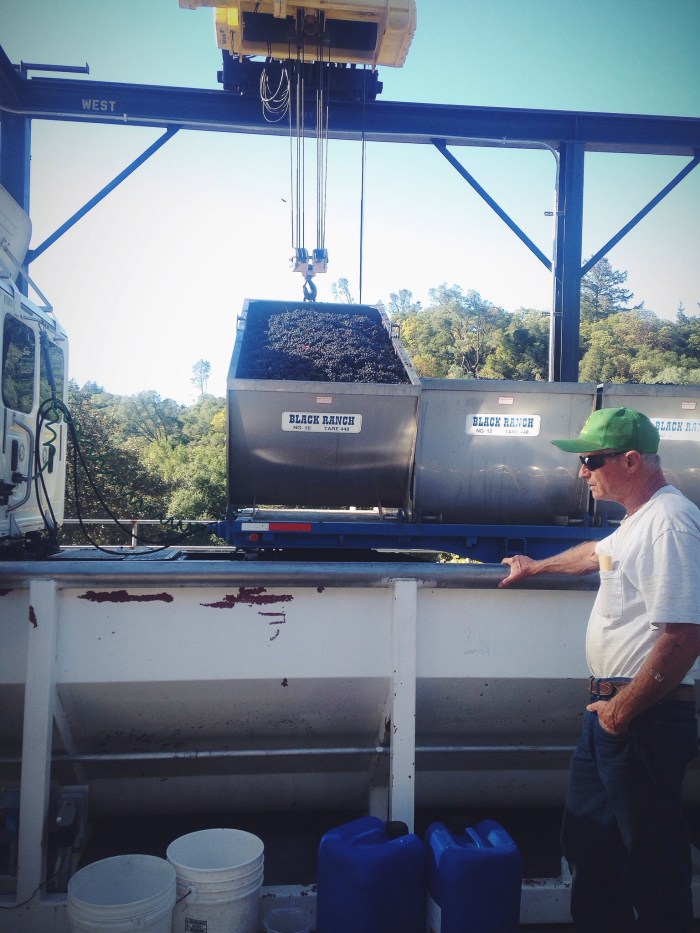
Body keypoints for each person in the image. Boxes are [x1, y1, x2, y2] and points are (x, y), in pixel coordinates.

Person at [499, 406, 700, 932]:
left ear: (631, 460)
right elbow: (597, 554)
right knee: (590, 847)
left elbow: (683, 639)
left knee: (652, 860)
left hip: (641, 716)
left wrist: (618, 715)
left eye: (590, 460)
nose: (582, 472)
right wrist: (536, 566)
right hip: (612, 712)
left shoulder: (670, 523)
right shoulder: (639, 520)